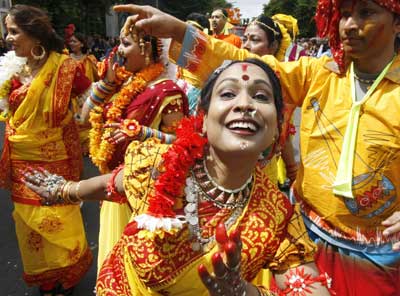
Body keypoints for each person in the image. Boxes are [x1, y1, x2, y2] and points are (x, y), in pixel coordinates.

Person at [112, 1, 400, 294]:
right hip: (304, 235)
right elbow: (248, 66)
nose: (349, 25)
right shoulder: (319, 73)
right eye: (345, 15)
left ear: (397, 22)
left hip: (378, 255)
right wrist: (179, 30)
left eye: (366, 13)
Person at [24, 58, 332, 295]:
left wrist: (243, 291)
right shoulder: (158, 163)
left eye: (261, 97)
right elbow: (111, 184)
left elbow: (306, 287)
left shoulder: (276, 216)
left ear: (277, 128)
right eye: (228, 93)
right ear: (204, 117)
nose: (245, 105)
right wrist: (65, 189)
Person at [0, 5, 93, 296]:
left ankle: (66, 277)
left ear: (34, 33)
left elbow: (90, 100)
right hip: (21, 161)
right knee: (28, 225)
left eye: (14, 31)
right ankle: (45, 277)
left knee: (58, 222)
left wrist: (81, 124)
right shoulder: (12, 70)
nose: (7, 37)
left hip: (56, 161)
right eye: (7, 31)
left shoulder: (65, 68)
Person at [80, 25, 189, 272]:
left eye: (126, 43)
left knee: (136, 269)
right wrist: (107, 84)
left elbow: (184, 148)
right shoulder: (123, 81)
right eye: (120, 42)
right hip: (112, 186)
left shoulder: (166, 93)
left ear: (147, 48)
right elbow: (83, 117)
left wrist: (145, 133)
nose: (119, 50)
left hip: (142, 196)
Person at [242, 14, 298, 189]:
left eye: (254, 39)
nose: (246, 45)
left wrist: (294, 175)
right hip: (228, 172)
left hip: (264, 177)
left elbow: (284, 134)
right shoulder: (230, 79)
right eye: (245, 39)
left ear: (273, 46)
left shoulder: (282, 87)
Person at [66, 29, 99, 155]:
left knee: (88, 121)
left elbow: (99, 76)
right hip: (72, 97)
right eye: (71, 41)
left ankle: (90, 146)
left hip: (88, 95)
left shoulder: (90, 59)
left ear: (82, 44)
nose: (72, 43)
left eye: (75, 41)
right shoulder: (66, 59)